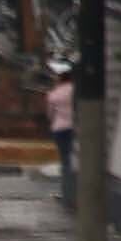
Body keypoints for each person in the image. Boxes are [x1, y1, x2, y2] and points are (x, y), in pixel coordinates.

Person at [47, 62, 77, 200]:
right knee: (74, 158)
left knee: (64, 160)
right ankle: (74, 191)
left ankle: (66, 192)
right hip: (74, 128)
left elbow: (50, 115)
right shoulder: (75, 90)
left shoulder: (53, 94)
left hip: (59, 129)